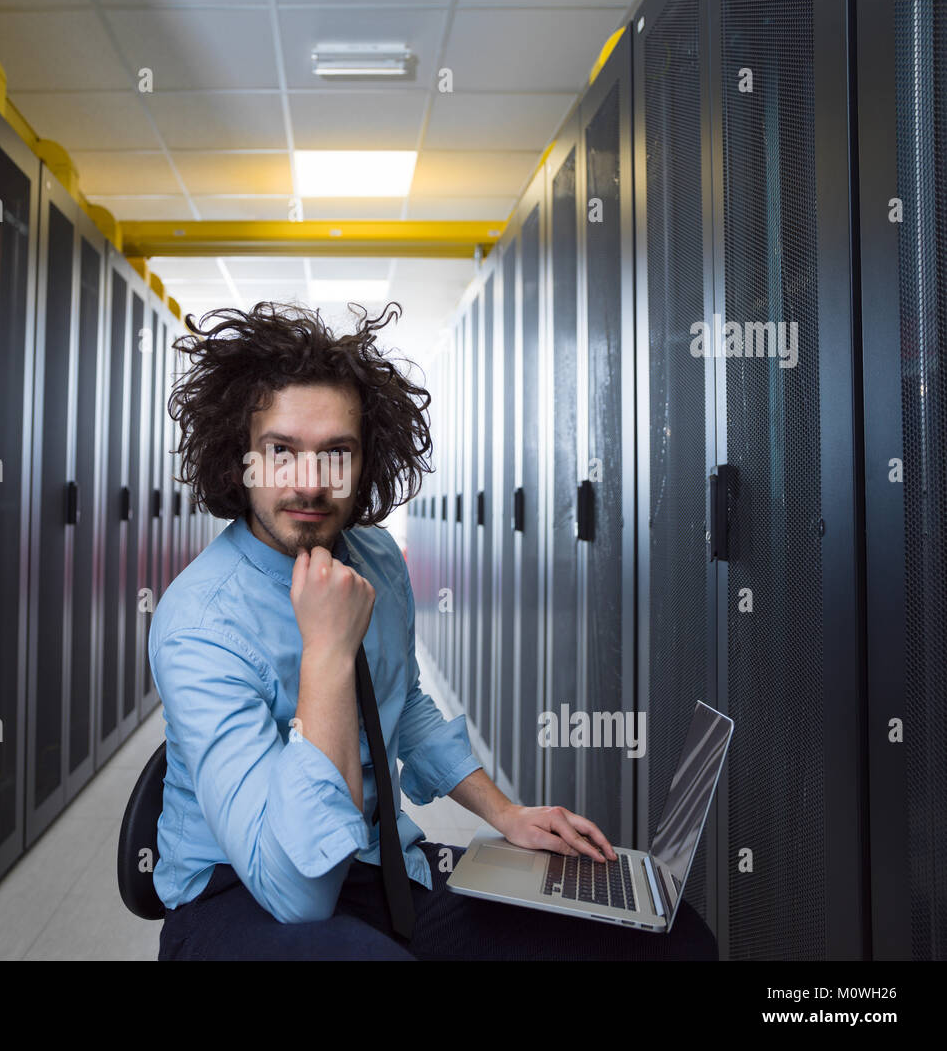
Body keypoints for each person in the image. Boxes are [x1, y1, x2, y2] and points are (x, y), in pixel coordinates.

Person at [148, 301, 716, 961]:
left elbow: (405, 704)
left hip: (376, 868)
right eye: (281, 451)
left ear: (366, 464)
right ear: (239, 459)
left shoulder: (377, 559)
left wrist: (504, 813)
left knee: (670, 938)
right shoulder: (199, 622)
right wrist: (327, 655)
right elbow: (294, 891)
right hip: (240, 894)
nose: (310, 483)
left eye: (337, 452)